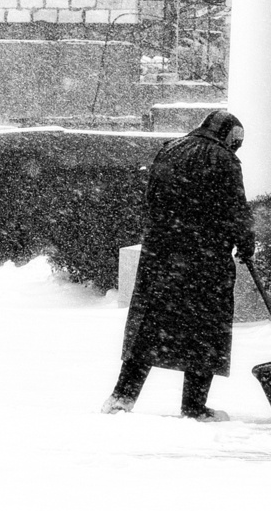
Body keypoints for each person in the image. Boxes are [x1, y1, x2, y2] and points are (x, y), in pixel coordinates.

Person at [106, 108, 256, 420]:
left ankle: (122, 397)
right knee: (205, 332)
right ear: (229, 135)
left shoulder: (169, 150)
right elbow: (235, 208)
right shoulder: (224, 160)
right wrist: (245, 242)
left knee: (148, 327)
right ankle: (194, 406)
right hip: (206, 260)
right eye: (237, 141)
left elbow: (151, 199)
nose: (237, 147)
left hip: (160, 256)